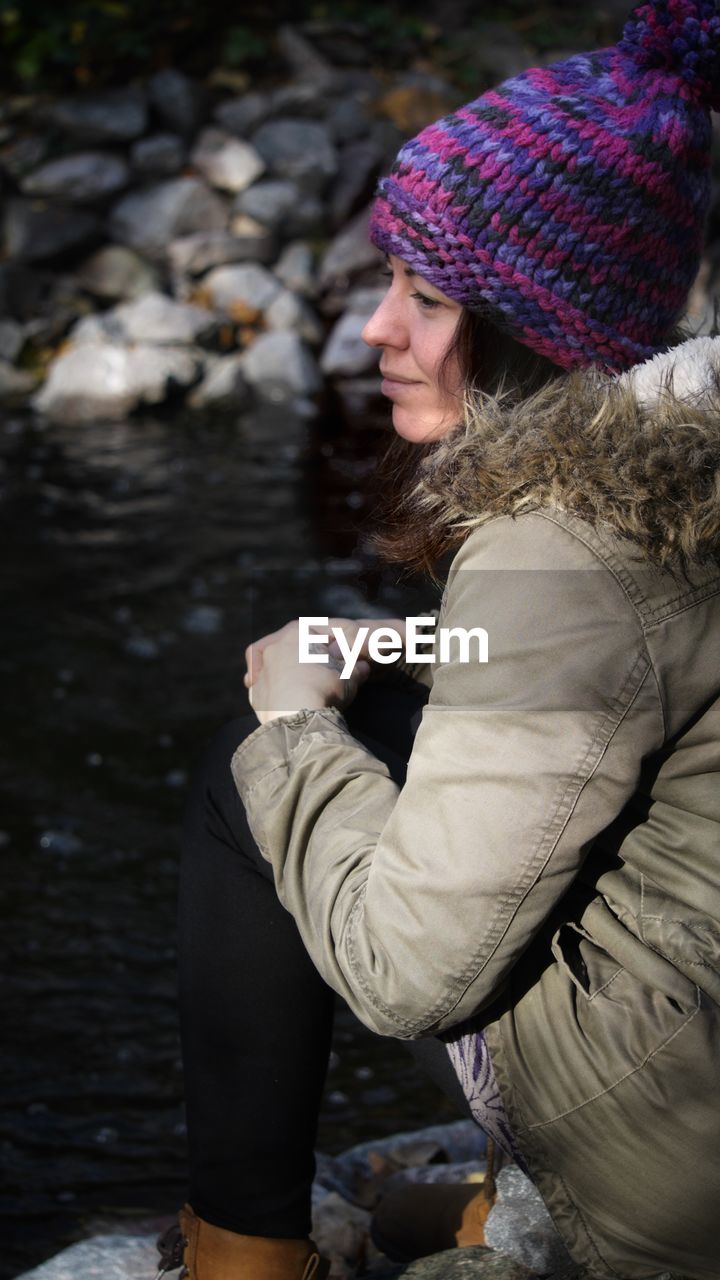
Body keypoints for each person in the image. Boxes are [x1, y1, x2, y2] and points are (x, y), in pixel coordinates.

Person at [161, 2, 720, 1277]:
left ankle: (243, 1258)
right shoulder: (683, 469)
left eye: (424, 294)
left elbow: (408, 976)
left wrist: (297, 724)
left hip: (674, 1177)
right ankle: (486, 1199)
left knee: (244, 786)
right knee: (379, 712)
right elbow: (645, 683)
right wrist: (417, 651)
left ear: (535, 323)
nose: (378, 330)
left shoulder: (560, 546)